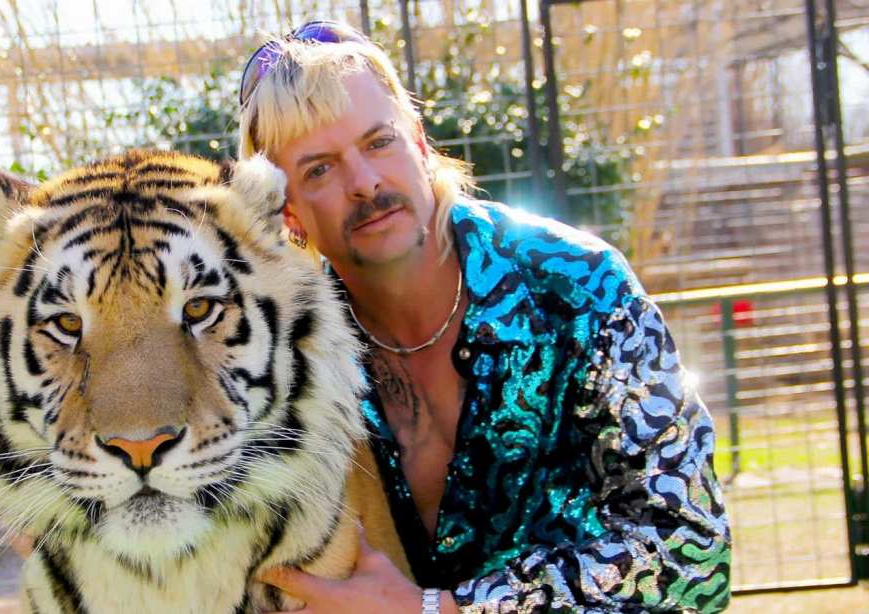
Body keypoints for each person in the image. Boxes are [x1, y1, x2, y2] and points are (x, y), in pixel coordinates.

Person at [238, 20, 731, 614]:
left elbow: (693, 553)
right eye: (319, 169)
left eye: (379, 142)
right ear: (288, 213)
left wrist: (443, 610)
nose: (364, 182)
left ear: (420, 143)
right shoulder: (289, 361)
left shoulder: (579, 286)